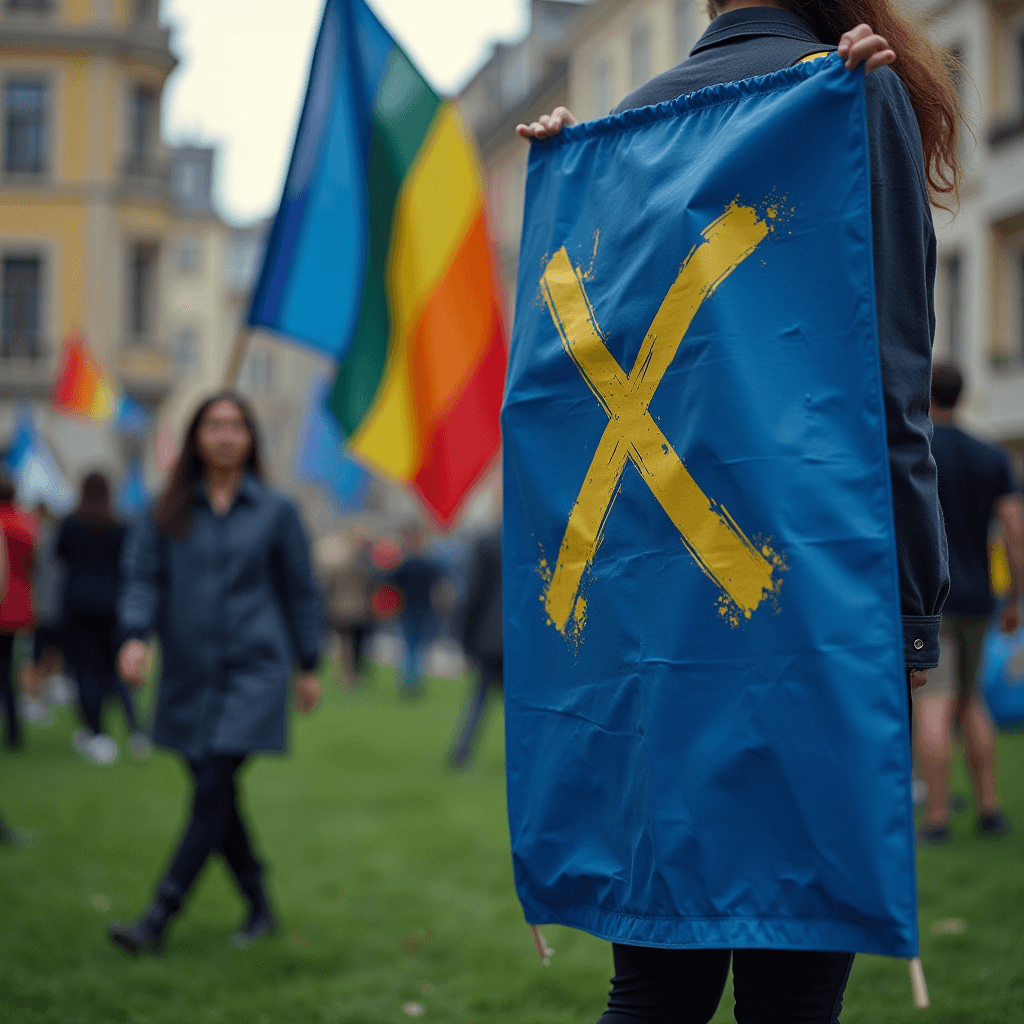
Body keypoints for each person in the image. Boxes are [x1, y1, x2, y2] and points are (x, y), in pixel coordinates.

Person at [517, 1, 955, 1020]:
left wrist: (560, 172)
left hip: (647, 631)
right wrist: (913, 605)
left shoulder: (629, 130)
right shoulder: (848, 92)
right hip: (813, 611)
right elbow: (889, 389)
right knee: (791, 973)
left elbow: (562, 402)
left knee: (654, 982)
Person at [106, 393, 324, 955]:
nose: (226, 435)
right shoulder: (165, 509)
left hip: (256, 671)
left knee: (212, 788)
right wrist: (134, 635)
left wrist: (309, 664)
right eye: (214, 425)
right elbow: (141, 577)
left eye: (237, 426)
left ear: (252, 439)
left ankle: (158, 917)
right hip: (188, 674)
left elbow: (301, 591)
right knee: (218, 797)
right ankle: (260, 906)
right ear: (195, 437)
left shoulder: (277, 510)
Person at [914, 364, 1023, 843]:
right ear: (963, 395)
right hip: (980, 597)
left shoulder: (914, 454)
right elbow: (1015, 531)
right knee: (971, 700)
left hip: (929, 600)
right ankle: (989, 810)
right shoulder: (990, 455)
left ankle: (937, 820)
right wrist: (1016, 596)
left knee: (934, 706)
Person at [56, 473, 147, 765]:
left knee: (87, 671)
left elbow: (61, 556)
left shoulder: (72, 523)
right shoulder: (120, 524)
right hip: (113, 605)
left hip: (80, 605)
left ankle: (97, 734)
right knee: (116, 669)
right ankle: (137, 731)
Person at [449, 527, 502, 770]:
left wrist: (466, 642)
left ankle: (462, 751)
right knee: (518, 704)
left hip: (490, 637)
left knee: (479, 699)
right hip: (520, 638)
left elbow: (473, 593)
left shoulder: (489, 542)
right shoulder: (533, 536)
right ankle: (523, 757)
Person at [0, 474, 37, 751]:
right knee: (9, 668)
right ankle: (14, 730)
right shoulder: (25, 524)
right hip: (18, 603)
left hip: (4, 603)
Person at [21, 502, 65, 726]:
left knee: (35, 655)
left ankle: (34, 699)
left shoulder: (38, 538)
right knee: (46, 653)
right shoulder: (50, 537)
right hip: (52, 605)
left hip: (39, 605)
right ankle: (38, 698)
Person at [392, 527, 444, 697]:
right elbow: (439, 587)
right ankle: (416, 681)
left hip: (407, 609)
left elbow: (393, 583)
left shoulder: (406, 564)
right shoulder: (430, 564)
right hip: (425, 609)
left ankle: (408, 681)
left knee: (409, 648)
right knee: (420, 648)